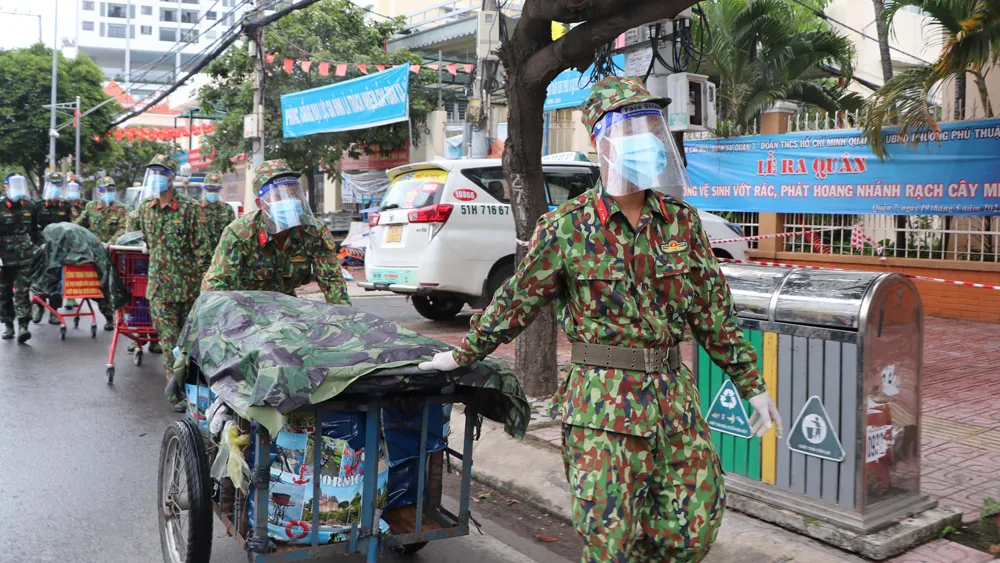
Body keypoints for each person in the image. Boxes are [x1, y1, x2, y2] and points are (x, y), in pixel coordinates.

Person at [418, 77, 782, 563]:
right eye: (630, 130)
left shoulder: (681, 222)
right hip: (603, 406)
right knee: (610, 541)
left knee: (693, 525)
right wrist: (461, 355)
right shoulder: (567, 226)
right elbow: (516, 302)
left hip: (673, 401)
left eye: (650, 128)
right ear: (599, 142)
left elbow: (713, 311)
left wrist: (751, 383)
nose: (644, 141)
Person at [202, 159, 349, 305]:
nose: (290, 200)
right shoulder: (239, 234)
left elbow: (332, 282)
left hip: (286, 308)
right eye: (279, 195)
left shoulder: (313, 232)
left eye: (293, 193)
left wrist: (344, 320)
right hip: (245, 309)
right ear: (261, 204)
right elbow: (216, 287)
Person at [133, 155, 209, 410]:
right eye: (151, 172)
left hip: (188, 290)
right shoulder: (145, 209)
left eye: (160, 173)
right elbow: (146, 240)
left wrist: (208, 287)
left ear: (171, 178)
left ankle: (195, 389)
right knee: (169, 342)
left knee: (189, 344)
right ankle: (176, 394)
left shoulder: (189, 208)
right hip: (159, 290)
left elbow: (202, 250)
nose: (155, 178)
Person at [74, 176, 129, 330]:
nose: (107, 193)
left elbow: (123, 229)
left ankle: (123, 316)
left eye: (111, 189)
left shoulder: (122, 209)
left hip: (115, 254)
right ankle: (109, 316)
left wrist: (109, 243)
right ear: (98, 192)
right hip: (95, 255)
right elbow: (79, 225)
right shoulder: (91, 208)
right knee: (98, 286)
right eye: (104, 190)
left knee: (118, 286)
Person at [0, 173, 39, 343]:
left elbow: (35, 230)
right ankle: (8, 324)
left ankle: (23, 326)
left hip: (25, 256)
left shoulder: (30, 206)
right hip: (4, 256)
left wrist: (41, 246)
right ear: (5, 187)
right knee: (4, 292)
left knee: (22, 291)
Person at [31, 172, 73, 324]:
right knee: (39, 279)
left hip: (59, 249)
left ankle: (54, 311)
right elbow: (32, 228)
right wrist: (38, 244)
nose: (55, 189)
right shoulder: (37, 206)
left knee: (57, 279)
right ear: (47, 186)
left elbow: (70, 226)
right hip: (41, 248)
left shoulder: (66, 206)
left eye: (58, 185)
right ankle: (39, 307)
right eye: (52, 185)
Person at [62, 177, 89, 312]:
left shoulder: (86, 205)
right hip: (69, 242)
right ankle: (70, 297)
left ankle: (84, 292)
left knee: (83, 267)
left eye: (75, 189)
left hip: (83, 241)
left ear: (80, 190)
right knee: (69, 269)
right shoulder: (64, 206)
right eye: (70, 189)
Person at [198, 171, 235, 268]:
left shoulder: (228, 209)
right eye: (210, 189)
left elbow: (233, 235)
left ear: (220, 189)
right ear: (205, 189)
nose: (212, 192)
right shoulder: (197, 208)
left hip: (222, 257)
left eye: (215, 189)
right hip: (202, 259)